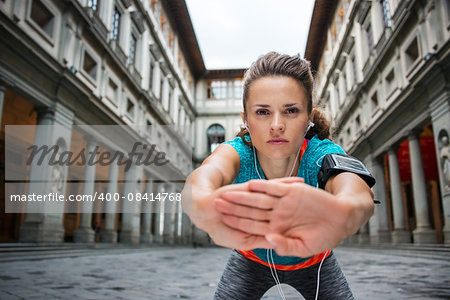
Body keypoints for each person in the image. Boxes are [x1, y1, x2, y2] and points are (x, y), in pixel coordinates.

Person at [181, 52, 375, 299]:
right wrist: (201, 202)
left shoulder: (322, 152)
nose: (276, 125)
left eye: (291, 111)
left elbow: (355, 189)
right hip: (249, 259)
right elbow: (206, 174)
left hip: (317, 262)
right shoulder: (236, 152)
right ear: (246, 119)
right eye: (262, 112)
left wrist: (346, 211)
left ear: (308, 119)